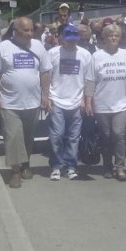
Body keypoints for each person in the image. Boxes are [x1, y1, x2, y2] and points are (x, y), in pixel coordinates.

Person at [0, 16, 52, 189]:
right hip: (10, 103)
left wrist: (45, 95)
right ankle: (15, 171)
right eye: (26, 30)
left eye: (32, 29)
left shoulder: (38, 46)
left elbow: (45, 72)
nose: (30, 33)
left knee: (27, 137)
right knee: (13, 137)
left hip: (32, 102)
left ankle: (26, 164)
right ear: (15, 31)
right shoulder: (3, 47)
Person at [84, 24, 126, 182]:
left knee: (118, 134)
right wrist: (88, 102)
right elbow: (90, 80)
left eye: (116, 36)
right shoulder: (97, 57)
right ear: (104, 38)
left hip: (121, 103)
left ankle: (120, 166)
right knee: (105, 135)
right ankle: (107, 165)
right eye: (110, 35)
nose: (113, 38)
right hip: (102, 103)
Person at [47, 24, 92, 181]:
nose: (71, 43)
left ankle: (71, 166)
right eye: (68, 39)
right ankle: (56, 166)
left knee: (73, 137)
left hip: (76, 101)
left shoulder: (85, 55)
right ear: (62, 38)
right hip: (57, 99)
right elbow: (47, 77)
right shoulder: (52, 53)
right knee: (57, 135)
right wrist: (47, 97)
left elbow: (89, 79)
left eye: (74, 40)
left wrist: (85, 100)